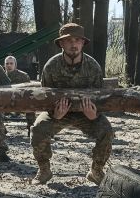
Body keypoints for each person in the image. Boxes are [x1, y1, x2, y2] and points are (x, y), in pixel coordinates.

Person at [30, 23, 113, 185]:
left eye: (77, 40)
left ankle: (96, 171)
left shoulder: (93, 67)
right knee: (38, 129)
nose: (73, 44)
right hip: (58, 112)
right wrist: (55, 114)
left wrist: (94, 115)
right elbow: (46, 96)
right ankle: (44, 170)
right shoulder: (51, 66)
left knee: (107, 131)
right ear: (61, 43)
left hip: (87, 114)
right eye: (68, 40)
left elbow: (99, 98)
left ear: (83, 43)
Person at [4, 55, 34, 135]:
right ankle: (0, 130)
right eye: (7, 64)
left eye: (11, 63)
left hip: (21, 101)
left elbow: (28, 92)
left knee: (30, 107)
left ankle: (31, 129)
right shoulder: (1, 76)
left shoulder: (23, 76)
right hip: (5, 102)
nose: (9, 65)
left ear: (15, 65)